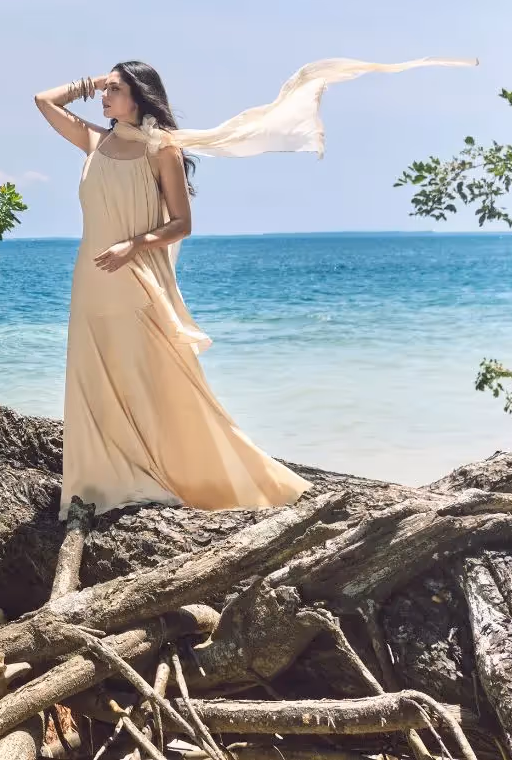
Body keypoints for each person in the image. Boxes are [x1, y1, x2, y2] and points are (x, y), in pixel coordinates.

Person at [34, 55, 479, 521]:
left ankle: (187, 476)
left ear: (140, 98)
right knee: (93, 379)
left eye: (115, 89)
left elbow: (183, 224)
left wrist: (134, 245)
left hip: (136, 277)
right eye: (104, 90)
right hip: (90, 280)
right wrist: (89, 82)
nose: (105, 96)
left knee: (155, 382)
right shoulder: (95, 142)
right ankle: (103, 483)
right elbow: (43, 101)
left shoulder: (160, 148)